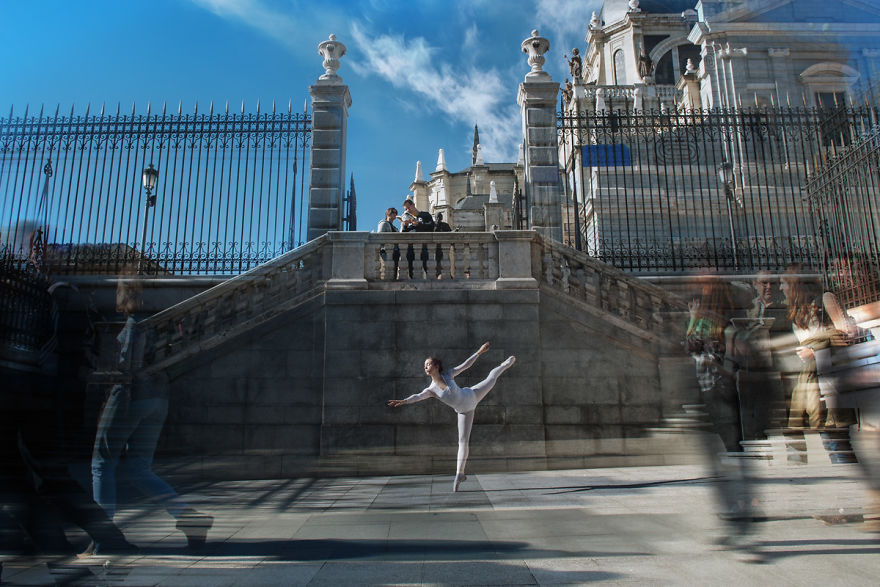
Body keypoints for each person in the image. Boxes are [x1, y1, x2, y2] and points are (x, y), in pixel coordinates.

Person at [387, 342, 516, 492]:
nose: (425, 367)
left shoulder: (448, 374)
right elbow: (418, 396)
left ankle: (505, 364)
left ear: (436, 366)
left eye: (428, 364)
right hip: (463, 411)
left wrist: (479, 352)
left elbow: (465, 365)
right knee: (462, 441)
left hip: (472, 395)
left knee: (491, 379)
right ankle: (459, 473)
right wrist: (404, 401)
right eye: (424, 366)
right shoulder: (431, 390)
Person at [780, 267, 826, 429]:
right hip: (809, 365)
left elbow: (832, 336)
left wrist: (814, 351)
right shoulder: (798, 310)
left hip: (820, 364)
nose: (780, 288)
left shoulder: (818, 306)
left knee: (810, 402)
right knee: (800, 403)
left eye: (783, 283)